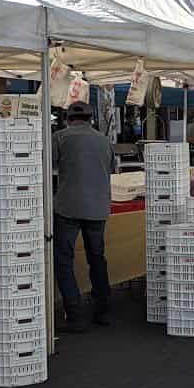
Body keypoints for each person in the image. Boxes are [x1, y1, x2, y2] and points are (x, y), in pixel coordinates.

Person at [52, 101, 117, 332]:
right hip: (98, 208)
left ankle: (76, 315)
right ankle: (103, 311)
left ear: (67, 118)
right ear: (91, 119)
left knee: (63, 261)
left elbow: (47, 166)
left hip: (67, 208)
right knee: (97, 259)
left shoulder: (59, 138)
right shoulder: (104, 140)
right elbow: (111, 168)